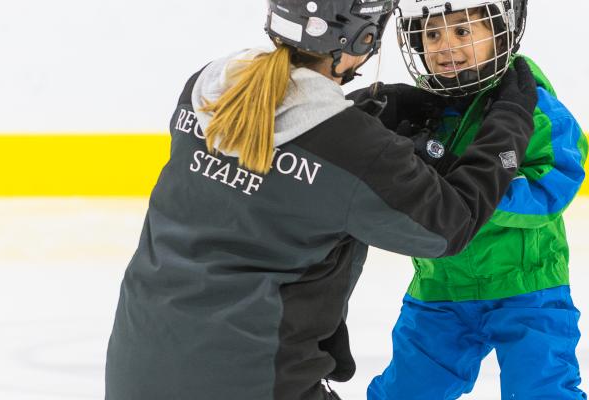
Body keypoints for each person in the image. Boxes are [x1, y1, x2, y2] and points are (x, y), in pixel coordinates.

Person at [102, 0, 542, 398]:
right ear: (362, 35)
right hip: (257, 385)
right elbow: (452, 223)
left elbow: (288, 151)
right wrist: (510, 121)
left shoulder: (207, 84)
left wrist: (362, 118)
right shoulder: (354, 148)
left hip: (133, 374)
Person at [349, 0, 589, 398]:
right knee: (407, 391)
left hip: (527, 287)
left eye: (462, 31)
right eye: (432, 34)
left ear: (501, 34)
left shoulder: (535, 107)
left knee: (542, 389)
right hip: (440, 288)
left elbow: (553, 187)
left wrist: (474, 190)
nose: (445, 46)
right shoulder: (425, 111)